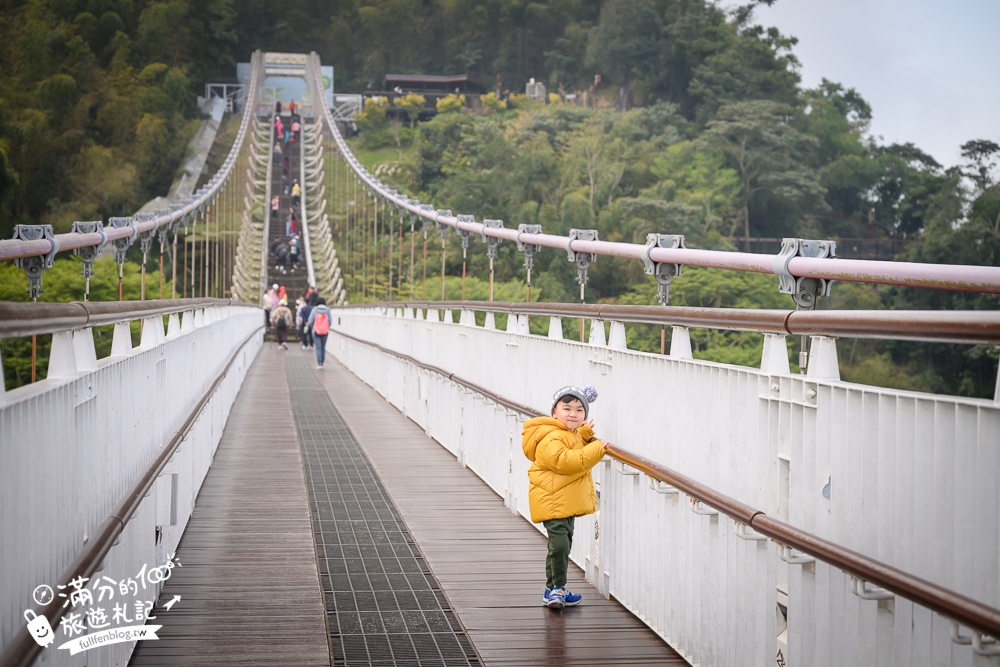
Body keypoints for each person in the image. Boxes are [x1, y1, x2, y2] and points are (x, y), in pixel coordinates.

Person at [521, 385, 605, 611]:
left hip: (562, 500)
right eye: (566, 408)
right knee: (559, 545)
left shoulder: (570, 433)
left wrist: (585, 435)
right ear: (554, 413)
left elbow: (574, 442)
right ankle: (558, 587)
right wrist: (597, 448)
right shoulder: (551, 437)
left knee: (561, 545)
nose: (572, 414)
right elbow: (565, 460)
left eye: (579, 410)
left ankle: (552, 589)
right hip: (552, 499)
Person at [307, 297, 331, 369]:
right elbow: (330, 321)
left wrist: (314, 327)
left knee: (318, 348)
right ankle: (322, 363)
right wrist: (326, 327)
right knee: (323, 347)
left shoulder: (315, 310)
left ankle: (319, 363)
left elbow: (310, 320)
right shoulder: (328, 310)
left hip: (316, 331)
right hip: (325, 331)